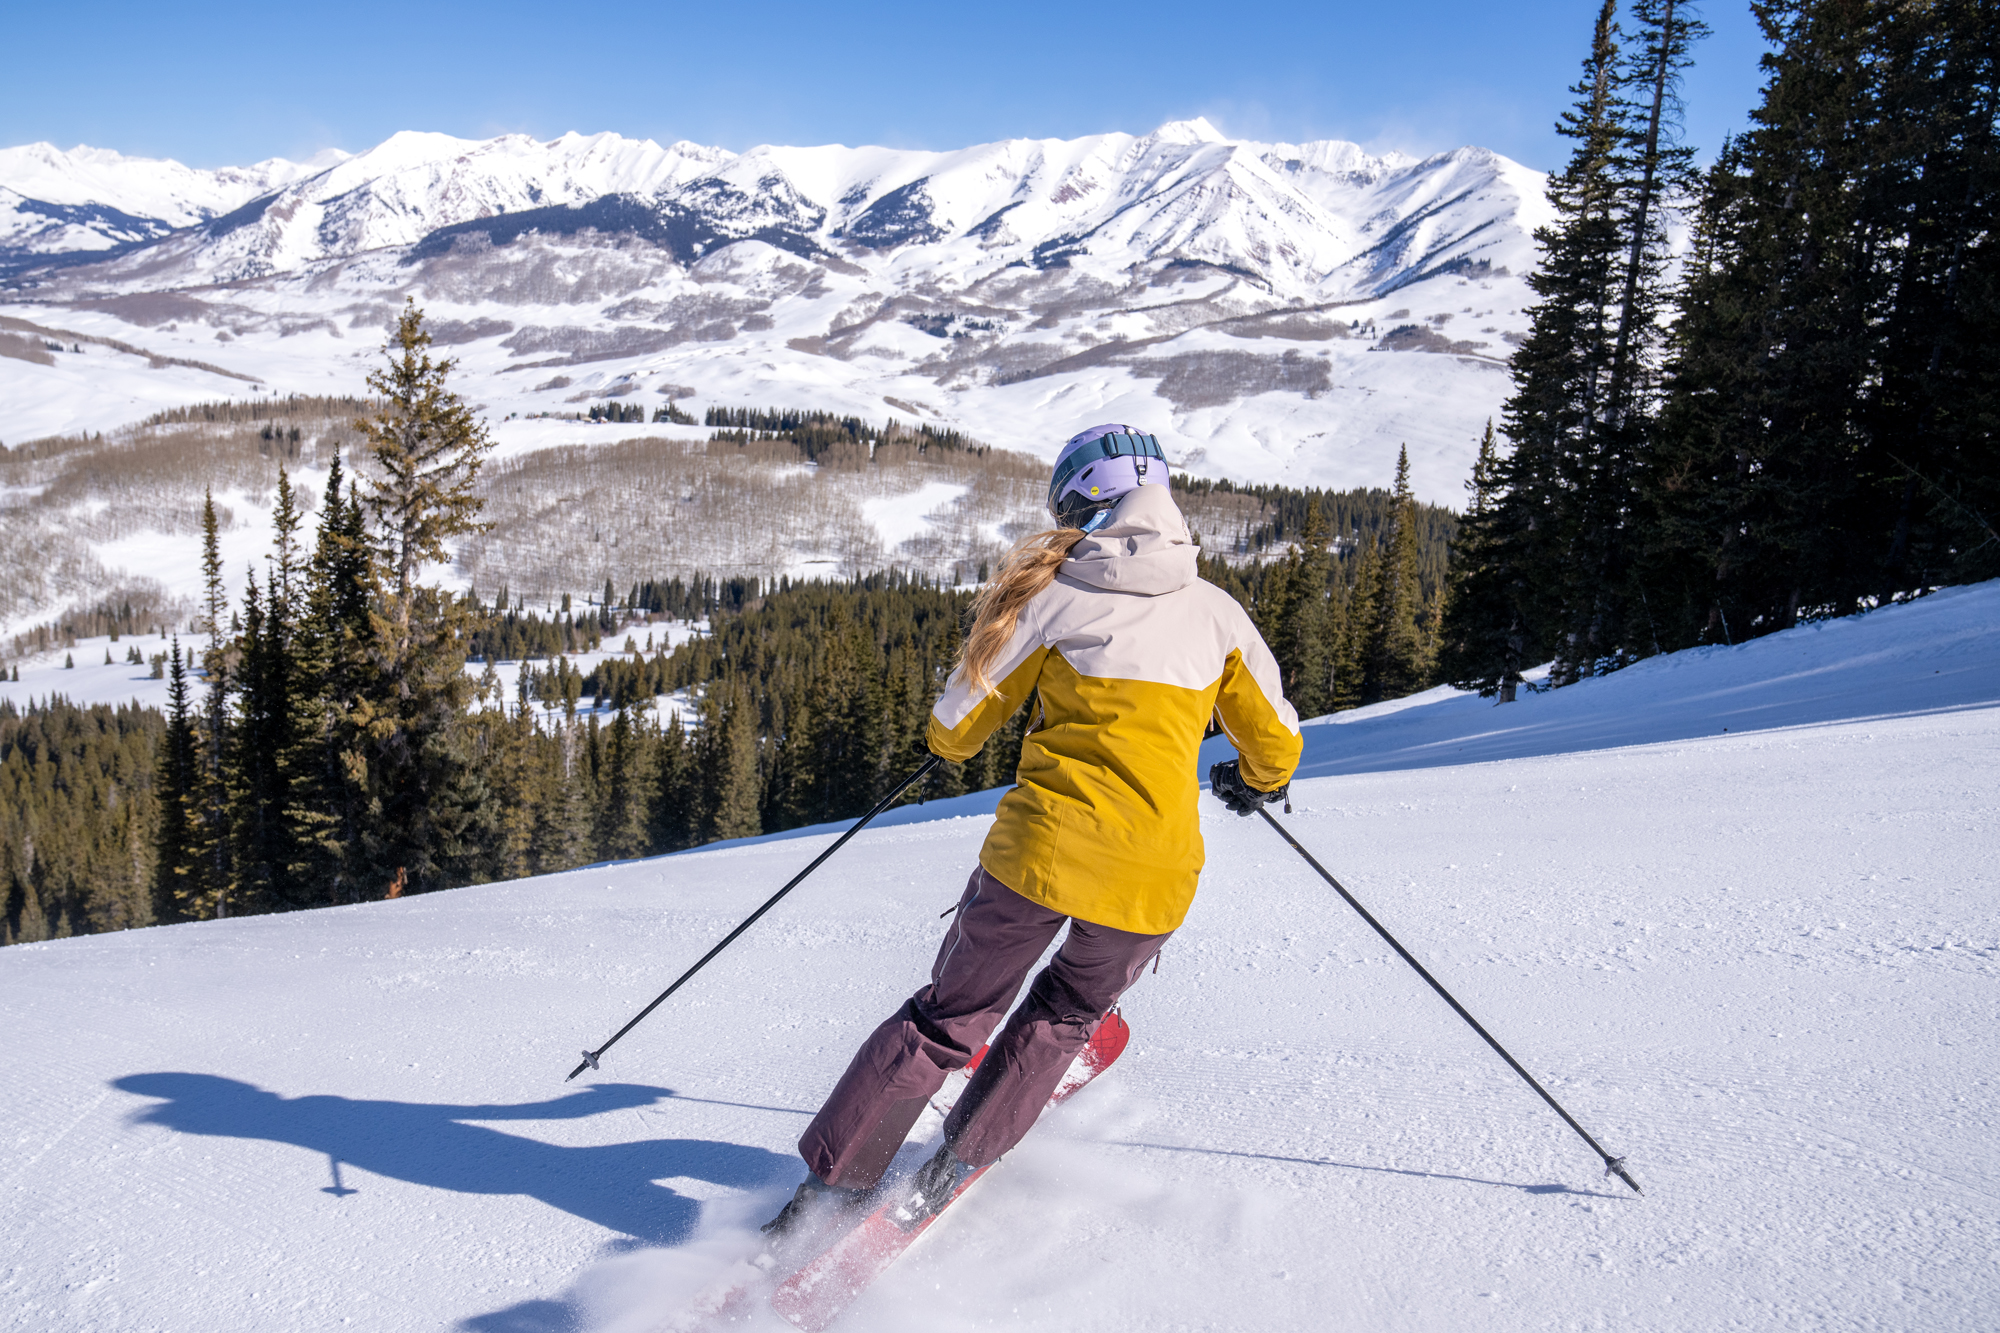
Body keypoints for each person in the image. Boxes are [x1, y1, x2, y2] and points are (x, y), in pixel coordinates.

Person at [763, 423, 1302, 1236]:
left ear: (1083, 503)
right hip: (1151, 880)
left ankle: (824, 1196)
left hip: (1038, 858)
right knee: (1065, 1015)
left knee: (947, 1020)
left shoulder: (1052, 599)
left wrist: (945, 740)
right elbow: (1277, 745)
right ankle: (952, 1169)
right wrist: (1257, 782)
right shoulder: (1220, 616)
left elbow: (958, 724)